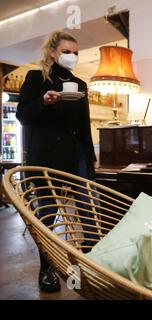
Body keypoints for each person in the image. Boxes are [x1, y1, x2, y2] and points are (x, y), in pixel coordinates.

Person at [17, 30, 97, 293]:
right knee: (48, 215)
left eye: (75, 52)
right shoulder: (36, 79)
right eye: (66, 51)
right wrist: (44, 101)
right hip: (47, 157)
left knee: (88, 215)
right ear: (52, 52)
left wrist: (90, 158)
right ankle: (46, 268)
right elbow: (23, 115)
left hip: (78, 156)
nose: (71, 56)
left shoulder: (80, 85)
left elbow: (84, 126)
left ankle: (90, 268)